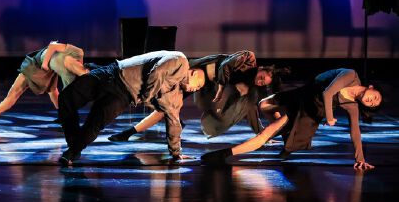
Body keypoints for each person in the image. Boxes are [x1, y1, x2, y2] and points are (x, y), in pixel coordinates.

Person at [201, 69, 382, 170]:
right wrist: (329, 117)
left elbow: (355, 131)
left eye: (373, 104)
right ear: (371, 87)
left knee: (266, 134)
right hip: (304, 94)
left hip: (308, 109)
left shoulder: (352, 106)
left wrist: (360, 158)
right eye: (375, 97)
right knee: (264, 104)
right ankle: (287, 133)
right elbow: (328, 92)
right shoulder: (351, 75)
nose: (371, 101)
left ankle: (224, 154)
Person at [58, 50, 205, 165]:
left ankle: (73, 151)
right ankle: (73, 144)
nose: (195, 89)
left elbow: (174, 123)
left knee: (95, 123)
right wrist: (147, 96)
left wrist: (176, 153)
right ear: (193, 73)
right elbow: (157, 72)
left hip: (124, 95)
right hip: (112, 73)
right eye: (198, 85)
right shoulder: (180, 61)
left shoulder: (176, 99)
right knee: (66, 98)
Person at [108, 51, 279, 141]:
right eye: (261, 77)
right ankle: (129, 132)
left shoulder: (250, 86)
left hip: (205, 85)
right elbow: (224, 66)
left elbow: (250, 108)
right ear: (261, 68)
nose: (260, 81)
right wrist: (221, 89)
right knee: (164, 105)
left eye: (263, 83)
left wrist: (262, 134)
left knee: (170, 106)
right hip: (196, 73)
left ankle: (130, 132)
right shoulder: (248, 60)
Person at [0, 41, 88, 125]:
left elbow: (67, 98)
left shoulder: (70, 78)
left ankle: (62, 116)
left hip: (49, 71)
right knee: (15, 92)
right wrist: (45, 63)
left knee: (53, 91)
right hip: (36, 64)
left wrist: (70, 115)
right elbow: (53, 45)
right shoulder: (78, 53)